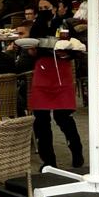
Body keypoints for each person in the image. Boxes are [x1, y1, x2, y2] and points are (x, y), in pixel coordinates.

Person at [26, 39, 83, 169]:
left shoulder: (63, 31)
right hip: (42, 77)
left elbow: (78, 51)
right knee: (41, 122)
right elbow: (24, 61)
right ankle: (49, 160)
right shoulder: (34, 36)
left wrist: (69, 54)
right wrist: (31, 53)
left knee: (63, 118)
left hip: (61, 76)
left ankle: (76, 150)